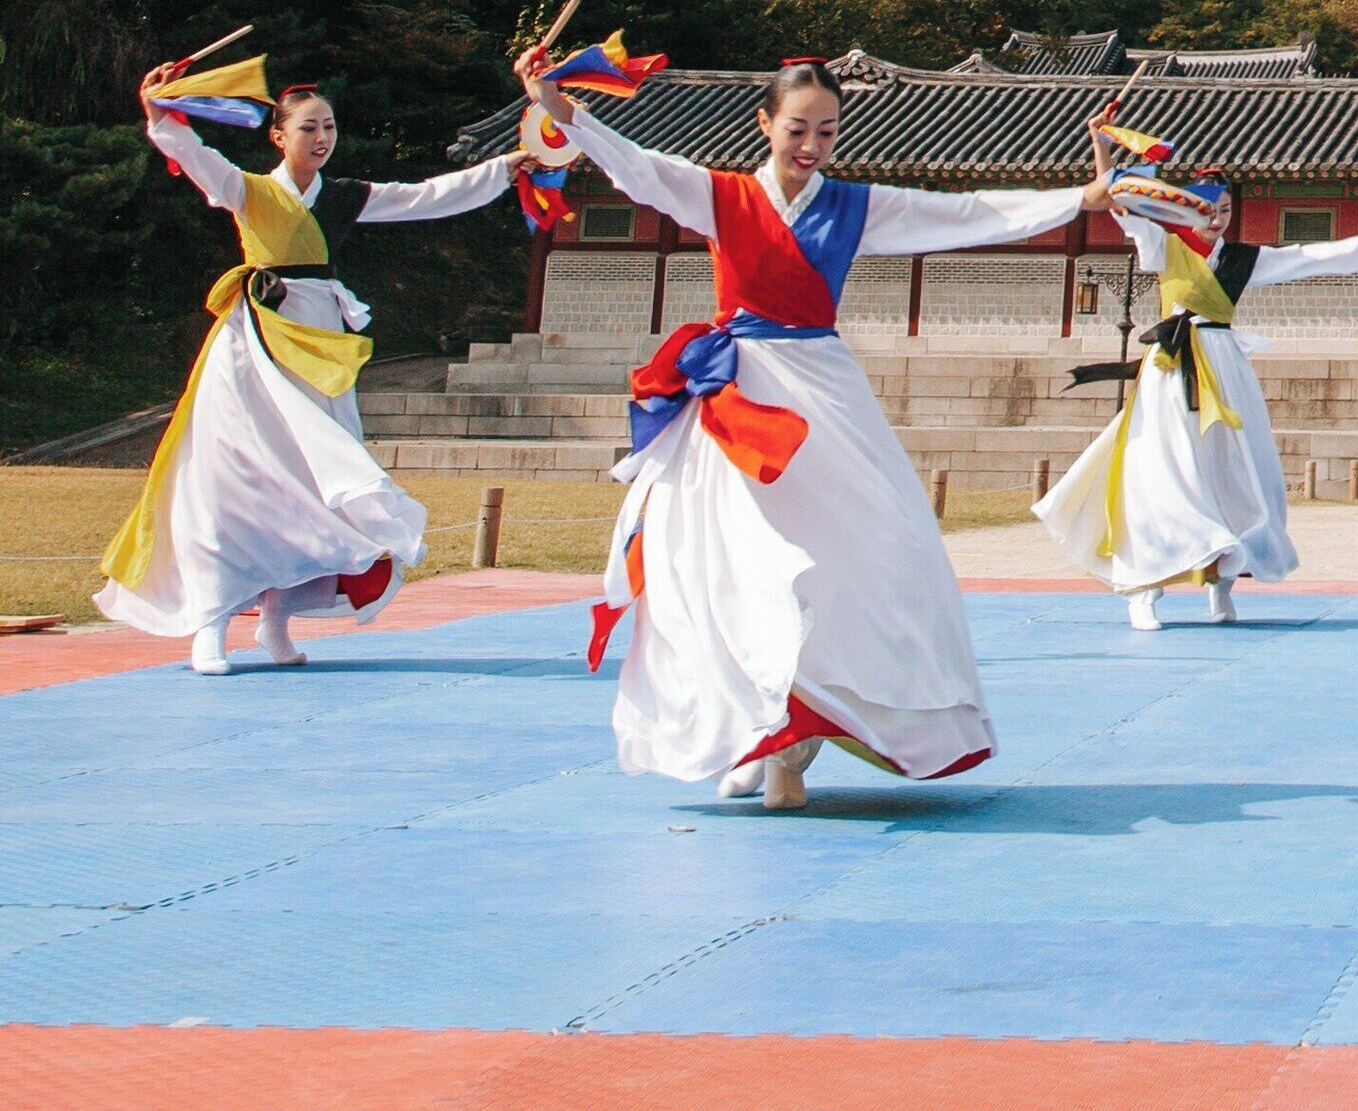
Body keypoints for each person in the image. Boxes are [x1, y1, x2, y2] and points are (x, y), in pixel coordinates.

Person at [522, 46, 1111, 809]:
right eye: (797, 129)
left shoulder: (857, 206)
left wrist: (1080, 197)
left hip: (825, 393)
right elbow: (637, 167)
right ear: (764, 123)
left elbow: (966, 213)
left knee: (877, 548)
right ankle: (756, 735)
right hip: (739, 397)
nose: (810, 146)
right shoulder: (721, 195)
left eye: (826, 132)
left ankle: (797, 741)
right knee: (735, 565)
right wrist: (559, 107)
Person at [100, 70, 516, 674]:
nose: (322, 137)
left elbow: (427, 197)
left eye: (329, 127)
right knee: (230, 478)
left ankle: (276, 618)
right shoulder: (245, 189)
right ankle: (211, 623)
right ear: (278, 136)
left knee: (316, 482)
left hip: (320, 347)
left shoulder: (344, 195)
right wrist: (158, 111)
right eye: (308, 127)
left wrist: (507, 168)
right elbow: (194, 154)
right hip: (254, 346)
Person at [1032, 171, 1358, 628]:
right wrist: (1105, 158)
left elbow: (1302, 258)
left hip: (1226, 372)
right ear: (1184, 208)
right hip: (1171, 370)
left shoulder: (1242, 259)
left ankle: (1222, 584)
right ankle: (1144, 589)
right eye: (1206, 208)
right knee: (1163, 470)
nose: (1216, 218)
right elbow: (1122, 205)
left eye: (1225, 210)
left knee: (1231, 474)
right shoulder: (1164, 247)